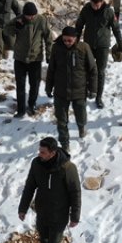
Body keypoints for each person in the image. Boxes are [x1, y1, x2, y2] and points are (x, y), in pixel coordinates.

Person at [18, 137, 81, 243]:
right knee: (44, 242)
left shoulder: (67, 168)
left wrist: (75, 216)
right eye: (39, 151)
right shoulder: (37, 164)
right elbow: (30, 186)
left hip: (59, 214)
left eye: (43, 152)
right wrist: (23, 208)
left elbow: (75, 192)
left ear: (53, 153)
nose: (40, 154)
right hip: (42, 212)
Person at [45, 26, 97, 154]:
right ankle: (65, 143)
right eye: (64, 40)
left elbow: (93, 70)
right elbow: (51, 69)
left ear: (75, 38)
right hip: (61, 91)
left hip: (79, 90)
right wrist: (48, 87)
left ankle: (82, 128)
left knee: (81, 115)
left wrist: (93, 89)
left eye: (70, 40)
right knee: (61, 121)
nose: (67, 43)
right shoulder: (56, 48)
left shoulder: (84, 48)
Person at [74, 0, 122, 109]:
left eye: (98, 4)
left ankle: (99, 97)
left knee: (100, 71)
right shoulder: (86, 9)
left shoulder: (109, 11)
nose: (95, 7)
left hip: (103, 45)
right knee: (88, 69)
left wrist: (120, 43)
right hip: (88, 44)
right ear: (90, 2)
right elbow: (79, 26)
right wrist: (75, 41)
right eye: (93, 4)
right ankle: (89, 90)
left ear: (102, 2)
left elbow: (116, 29)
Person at [10, 1, 52, 117]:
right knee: (20, 85)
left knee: (35, 84)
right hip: (20, 59)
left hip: (35, 59)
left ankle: (32, 104)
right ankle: (21, 109)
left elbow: (48, 38)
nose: (31, 17)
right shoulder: (19, 20)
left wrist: (49, 55)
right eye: (29, 16)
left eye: (33, 15)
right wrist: (16, 27)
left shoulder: (41, 20)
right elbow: (6, 31)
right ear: (24, 14)